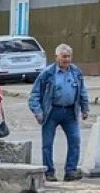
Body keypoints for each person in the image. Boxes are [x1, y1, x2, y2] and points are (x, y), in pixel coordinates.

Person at [28, 43, 90, 181]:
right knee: (47, 144)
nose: (66, 60)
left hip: (70, 112)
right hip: (51, 111)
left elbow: (82, 91)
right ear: (57, 57)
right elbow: (35, 94)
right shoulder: (47, 73)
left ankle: (71, 171)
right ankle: (49, 172)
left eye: (68, 57)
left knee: (75, 141)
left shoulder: (76, 72)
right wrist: (37, 111)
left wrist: (85, 108)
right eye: (63, 57)